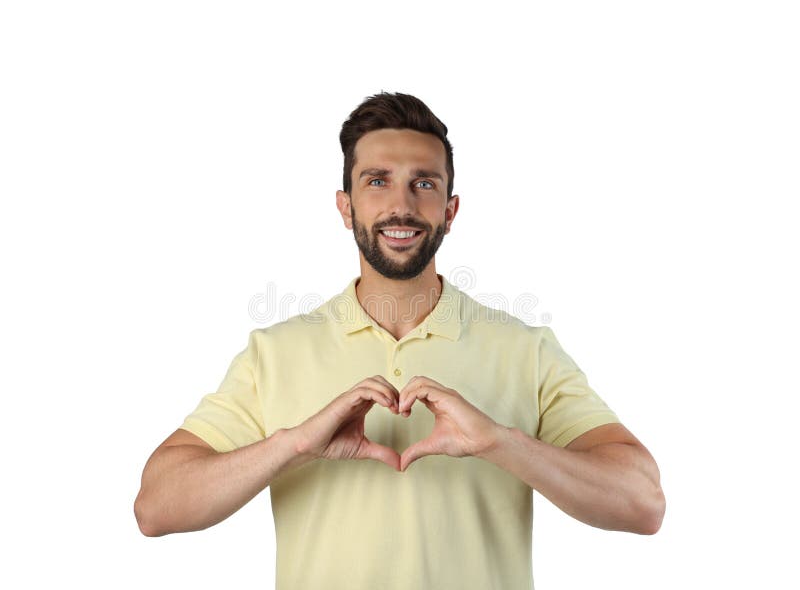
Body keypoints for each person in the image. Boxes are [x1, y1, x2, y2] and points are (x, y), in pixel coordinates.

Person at [134, 92, 665, 589]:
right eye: (377, 181)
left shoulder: (527, 350)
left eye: (424, 183)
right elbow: (156, 507)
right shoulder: (272, 354)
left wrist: (501, 443)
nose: (402, 204)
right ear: (345, 207)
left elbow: (643, 503)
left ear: (450, 211)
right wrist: (294, 445)